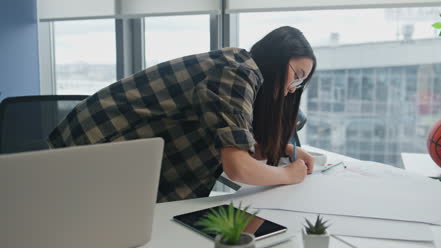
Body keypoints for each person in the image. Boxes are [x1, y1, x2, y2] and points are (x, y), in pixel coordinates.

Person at [48, 26, 317, 203]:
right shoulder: (238, 72)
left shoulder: (240, 70)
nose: (289, 92)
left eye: (298, 86)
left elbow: (241, 147)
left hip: (110, 161)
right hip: (90, 153)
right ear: (277, 57)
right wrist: (288, 175)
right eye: (296, 77)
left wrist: (283, 149)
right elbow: (237, 167)